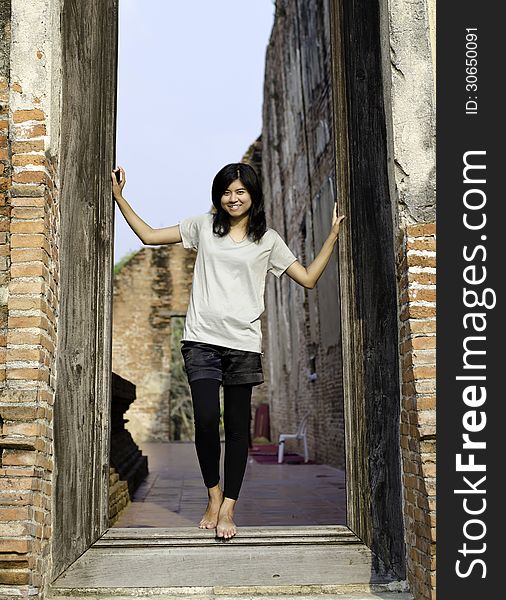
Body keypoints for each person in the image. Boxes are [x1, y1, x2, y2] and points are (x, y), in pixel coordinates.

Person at [111, 162, 345, 539]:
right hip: (201, 340)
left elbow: (309, 279)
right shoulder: (203, 226)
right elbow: (150, 236)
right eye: (225, 192)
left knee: (238, 430)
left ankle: (229, 509)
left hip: (243, 345)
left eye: (240, 192)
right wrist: (120, 197)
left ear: (252, 195)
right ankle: (213, 495)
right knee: (205, 421)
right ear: (218, 196)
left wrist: (332, 236)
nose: (232, 198)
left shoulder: (267, 240)